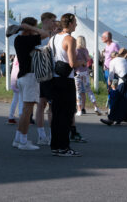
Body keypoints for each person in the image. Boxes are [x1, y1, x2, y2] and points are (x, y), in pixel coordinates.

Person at [11, 17, 53, 150]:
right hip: (29, 77)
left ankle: (18, 139)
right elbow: (46, 34)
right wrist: (31, 28)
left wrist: (28, 28)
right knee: (27, 111)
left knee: (25, 110)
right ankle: (23, 141)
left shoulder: (18, 39)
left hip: (22, 77)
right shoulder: (28, 39)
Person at [49, 13, 80, 157]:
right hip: (66, 79)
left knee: (56, 114)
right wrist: (84, 62)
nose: (77, 25)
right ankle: (64, 147)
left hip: (54, 78)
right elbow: (72, 63)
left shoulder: (53, 38)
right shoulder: (70, 39)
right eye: (75, 22)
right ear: (71, 23)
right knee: (67, 114)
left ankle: (55, 145)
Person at [35, 12, 58, 146]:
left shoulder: (54, 36)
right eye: (53, 21)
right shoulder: (39, 35)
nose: (55, 23)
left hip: (51, 73)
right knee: (42, 104)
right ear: (46, 21)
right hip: (43, 73)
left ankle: (50, 134)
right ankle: (42, 134)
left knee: (49, 105)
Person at [102, 49, 127, 126]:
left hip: (123, 82)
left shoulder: (113, 61)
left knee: (117, 100)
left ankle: (111, 119)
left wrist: (109, 83)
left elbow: (111, 74)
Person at [73, 35, 101, 116]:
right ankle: (96, 107)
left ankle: (79, 109)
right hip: (85, 72)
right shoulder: (85, 50)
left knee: (78, 91)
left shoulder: (76, 50)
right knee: (89, 90)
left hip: (78, 72)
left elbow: (73, 61)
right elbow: (88, 59)